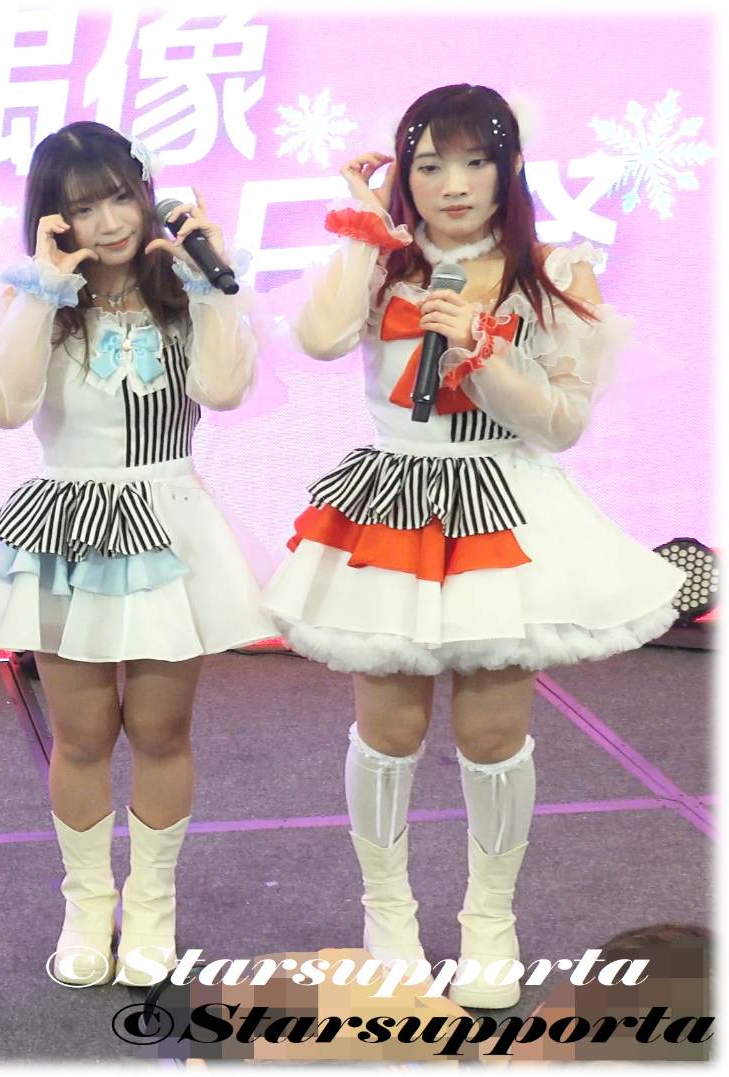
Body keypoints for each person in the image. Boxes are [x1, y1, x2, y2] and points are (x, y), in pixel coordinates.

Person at [263, 84, 681, 1009]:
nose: (452, 184)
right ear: (403, 176)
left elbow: (562, 423)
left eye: (473, 161)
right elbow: (317, 337)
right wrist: (362, 227)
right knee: (389, 727)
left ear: (509, 168)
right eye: (429, 165)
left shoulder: (555, 270)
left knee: (492, 733)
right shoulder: (381, 262)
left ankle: (489, 918)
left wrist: (483, 356)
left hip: (500, 501)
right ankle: (388, 917)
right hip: (395, 500)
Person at [0, 121, 272, 987]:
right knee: (81, 736)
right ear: (53, 218)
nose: (110, 221)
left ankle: (152, 909)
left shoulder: (186, 290)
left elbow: (223, 389)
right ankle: (87, 907)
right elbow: (6, 407)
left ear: (146, 193)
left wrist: (212, 288)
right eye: (83, 207)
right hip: (69, 526)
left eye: (120, 197)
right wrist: (43, 289)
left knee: (160, 730)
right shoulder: (36, 299)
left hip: (168, 519)